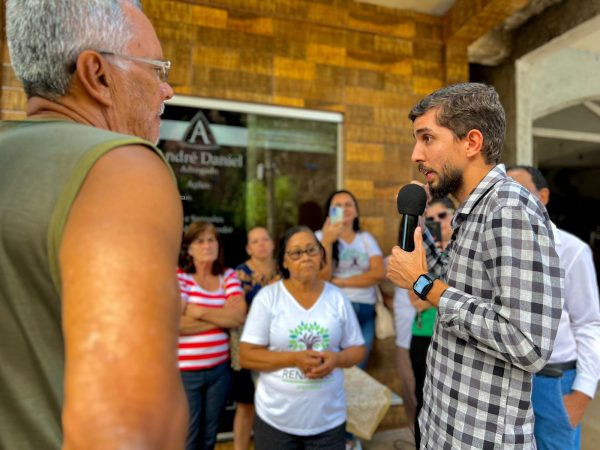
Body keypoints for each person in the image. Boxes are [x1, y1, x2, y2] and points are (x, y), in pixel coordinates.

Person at [0, 1, 187, 449]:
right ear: (97, 75)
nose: (168, 90)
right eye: (157, 70)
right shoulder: (118, 168)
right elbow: (128, 431)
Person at [387, 82, 564, 449]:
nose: (415, 154)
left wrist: (423, 285)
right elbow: (465, 296)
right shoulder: (472, 212)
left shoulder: (509, 209)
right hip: (445, 430)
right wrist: (417, 233)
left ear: (471, 142)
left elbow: (527, 342)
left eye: (427, 138)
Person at [240, 226, 365, 450]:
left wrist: (336, 359)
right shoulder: (268, 298)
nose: (305, 257)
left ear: (321, 257)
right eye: (296, 253)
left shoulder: (336, 298)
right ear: (284, 262)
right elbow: (247, 356)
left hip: (329, 421)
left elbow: (357, 349)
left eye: (311, 250)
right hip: (276, 421)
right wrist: (294, 359)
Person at [507, 165, 600, 450]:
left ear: (543, 196)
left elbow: (589, 323)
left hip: (554, 382)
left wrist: (581, 395)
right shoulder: (501, 251)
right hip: (508, 381)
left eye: (522, 192)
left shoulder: (572, 251)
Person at [178, 221, 246, 450]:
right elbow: (175, 324)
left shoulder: (228, 276)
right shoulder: (181, 278)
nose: (207, 245)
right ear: (189, 249)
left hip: (220, 371)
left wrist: (197, 311)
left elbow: (238, 317)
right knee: (189, 436)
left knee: (209, 436)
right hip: (186, 373)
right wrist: (220, 318)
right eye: (200, 241)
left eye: (211, 240)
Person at [317, 190, 385, 369]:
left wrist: (342, 281)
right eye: (337, 206)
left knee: (358, 366)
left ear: (355, 211)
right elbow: (323, 277)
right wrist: (327, 242)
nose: (344, 209)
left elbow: (379, 273)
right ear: (329, 212)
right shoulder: (318, 238)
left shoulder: (365, 239)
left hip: (365, 309)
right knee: (335, 365)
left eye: (348, 204)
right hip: (335, 308)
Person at [409, 196, 455, 448]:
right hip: (425, 333)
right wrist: (450, 291)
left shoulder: (466, 251)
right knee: (424, 401)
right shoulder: (422, 256)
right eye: (430, 219)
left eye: (442, 215)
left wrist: (434, 292)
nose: (438, 222)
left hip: (456, 337)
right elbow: (415, 299)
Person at [233, 226, 281, 450]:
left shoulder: (284, 270)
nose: (261, 244)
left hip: (280, 345)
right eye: (255, 241)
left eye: (265, 239)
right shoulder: (239, 274)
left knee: (276, 403)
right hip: (247, 345)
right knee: (246, 404)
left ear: (272, 243)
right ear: (248, 248)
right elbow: (238, 312)